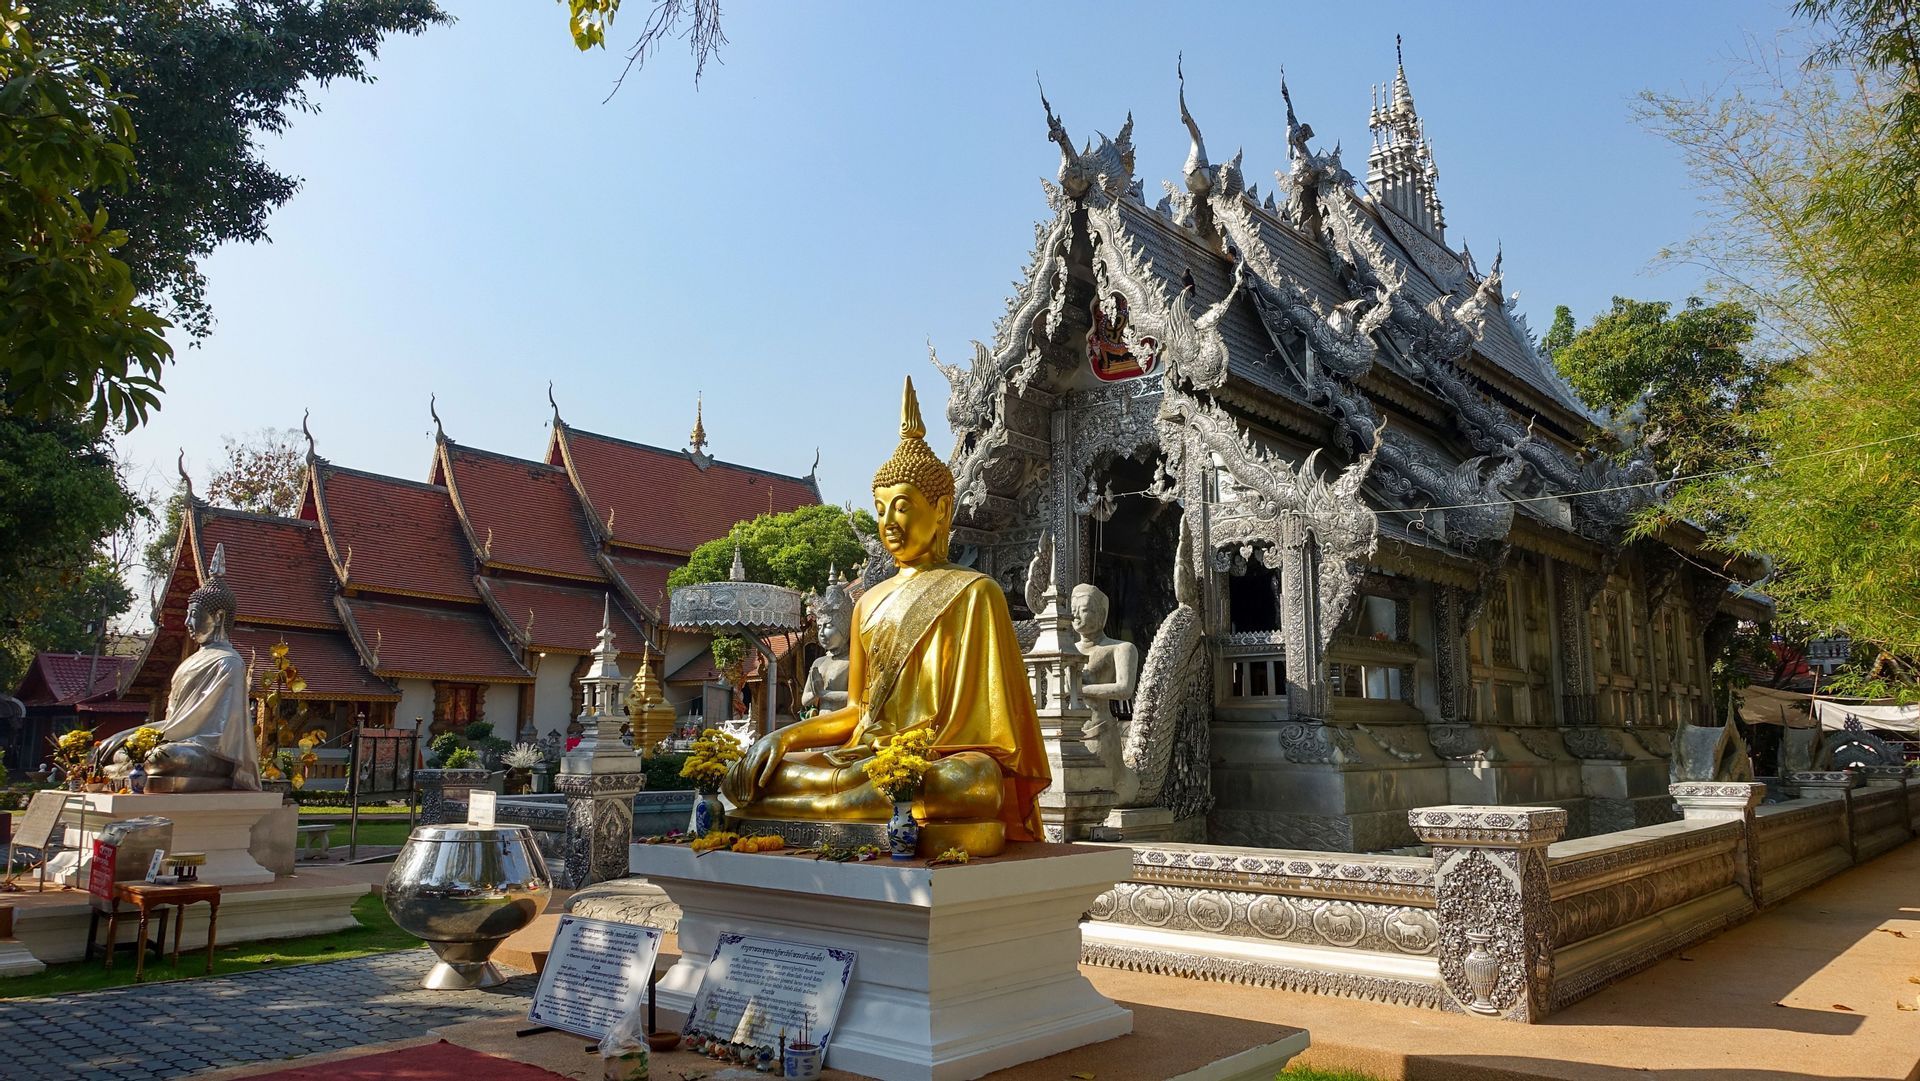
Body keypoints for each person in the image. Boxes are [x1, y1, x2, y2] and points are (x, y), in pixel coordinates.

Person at [724, 377, 1049, 856]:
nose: (889, 524)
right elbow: (858, 711)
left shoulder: (976, 593)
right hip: (865, 761)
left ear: (940, 510)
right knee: (760, 774)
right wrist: (783, 736)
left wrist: (907, 763)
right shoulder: (868, 603)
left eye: (902, 507)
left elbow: (991, 735)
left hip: (937, 761)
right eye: (880, 510)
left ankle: (843, 804)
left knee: (973, 784)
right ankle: (848, 803)